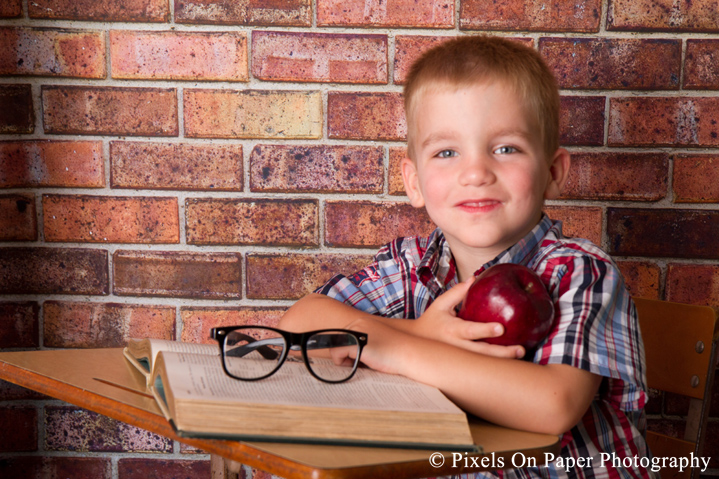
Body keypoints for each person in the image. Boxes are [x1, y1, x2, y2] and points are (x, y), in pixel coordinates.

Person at [279, 35, 652, 479]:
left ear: (552, 173)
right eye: (447, 152)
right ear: (414, 182)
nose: (475, 173)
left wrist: (391, 347)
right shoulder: (411, 269)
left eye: (506, 148)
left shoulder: (576, 271)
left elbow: (553, 405)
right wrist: (419, 330)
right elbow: (299, 322)